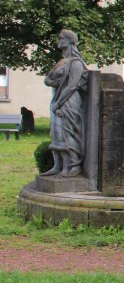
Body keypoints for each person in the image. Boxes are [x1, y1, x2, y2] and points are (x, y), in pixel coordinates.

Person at [42, 29, 88, 177]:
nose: (58, 40)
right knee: (56, 133)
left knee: (69, 132)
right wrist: (55, 84)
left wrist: (59, 103)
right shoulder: (61, 62)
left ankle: (73, 165)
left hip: (69, 101)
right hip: (56, 99)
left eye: (61, 38)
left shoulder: (76, 63)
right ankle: (58, 166)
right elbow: (48, 79)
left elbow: (73, 85)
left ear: (70, 41)